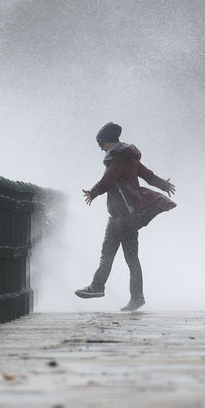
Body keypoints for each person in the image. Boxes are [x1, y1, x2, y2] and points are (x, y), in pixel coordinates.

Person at [75, 122, 176, 311]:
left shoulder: (119, 158)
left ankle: (109, 290)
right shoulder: (126, 157)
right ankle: (110, 290)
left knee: (120, 256)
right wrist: (164, 185)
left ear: (107, 142)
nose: (100, 148)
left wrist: (93, 192)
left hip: (124, 215)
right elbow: (148, 175)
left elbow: (109, 179)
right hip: (117, 215)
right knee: (121, 256)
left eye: (101, 144)